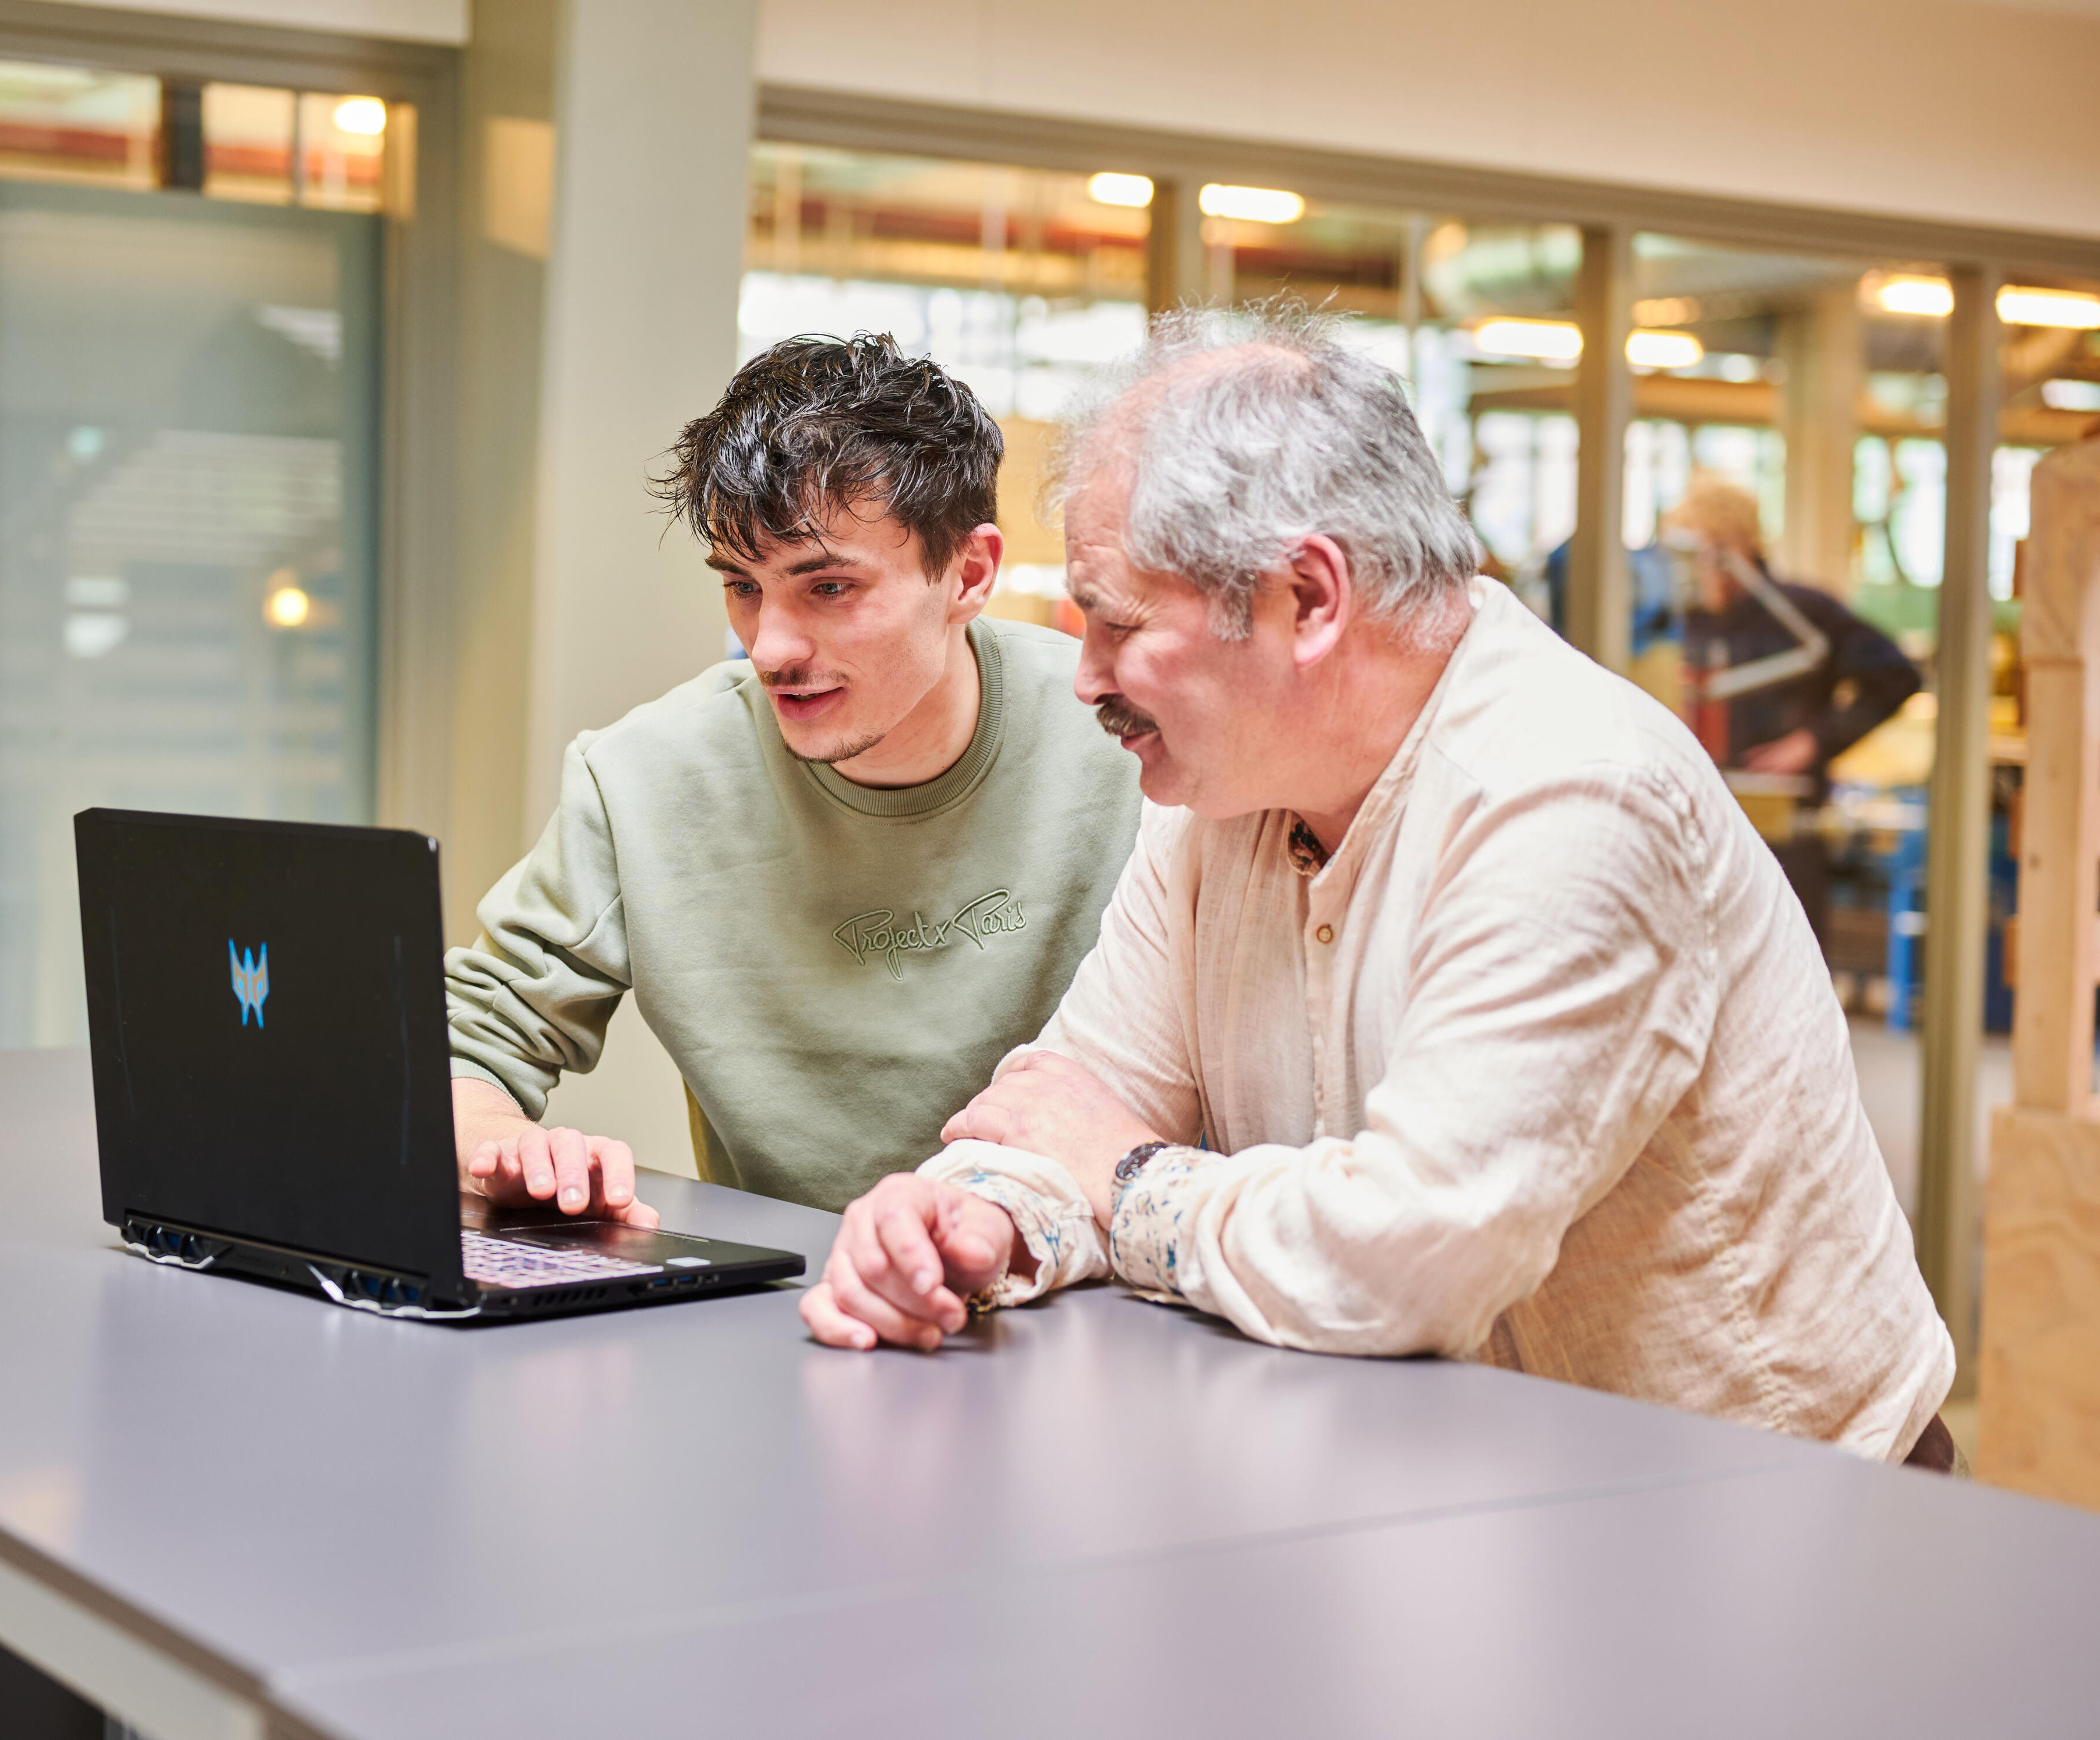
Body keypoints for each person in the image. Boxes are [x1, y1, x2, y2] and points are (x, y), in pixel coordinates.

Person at [801, 304, 1958, 1470]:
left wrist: (1128, 1180)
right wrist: (967, 1216)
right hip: (1467, 1480)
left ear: (1306, 596)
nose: (1083, 675)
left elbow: (1409, 1254)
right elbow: (1082, 1094)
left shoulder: (1568, 796)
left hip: (1766, 1515)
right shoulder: (1226, 786)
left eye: (1116, 622)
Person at [445, 334, 1144, 1223]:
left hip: (1090, 1294)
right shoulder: (642, 777)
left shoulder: (1128, 744)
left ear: (969, 573)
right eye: (742, 584)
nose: (768, 647)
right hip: (793, 1309)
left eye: (829, 588)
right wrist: (502, 1152)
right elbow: (466, 1045)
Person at [1666, 473, 1920, 949]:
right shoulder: (1678, 623)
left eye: (1712, 553)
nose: (1701, 572)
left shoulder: (1803, 615)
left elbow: (1897, 676)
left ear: (1739, 546)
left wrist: (1813, 741)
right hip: (1690, 829)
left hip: (1784, 832)